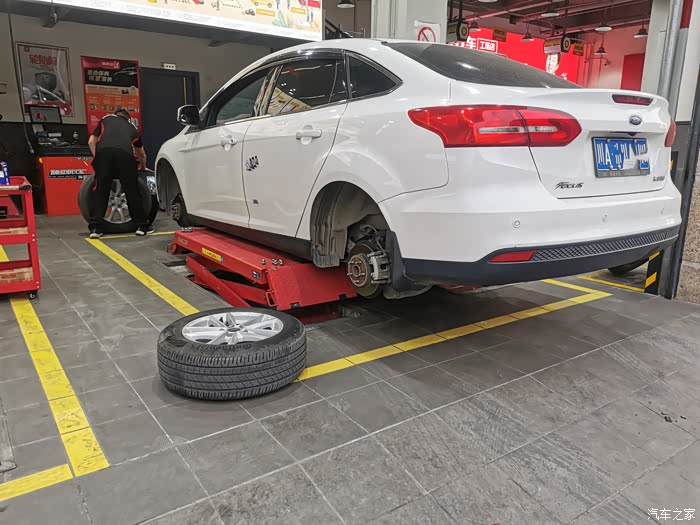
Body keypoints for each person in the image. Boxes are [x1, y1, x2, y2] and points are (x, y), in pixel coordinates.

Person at [87, 109, 152, 238]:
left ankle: (95, 229)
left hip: (104, 154)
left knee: (101, 190)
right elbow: (141, 154)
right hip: (125, 156)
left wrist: (98, 158)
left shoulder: (105, 119)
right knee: (132, 191)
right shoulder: (134, 129)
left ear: (115, 115)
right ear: (128, 119)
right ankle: (141, 227)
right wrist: (143, 168)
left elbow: (91, 141)